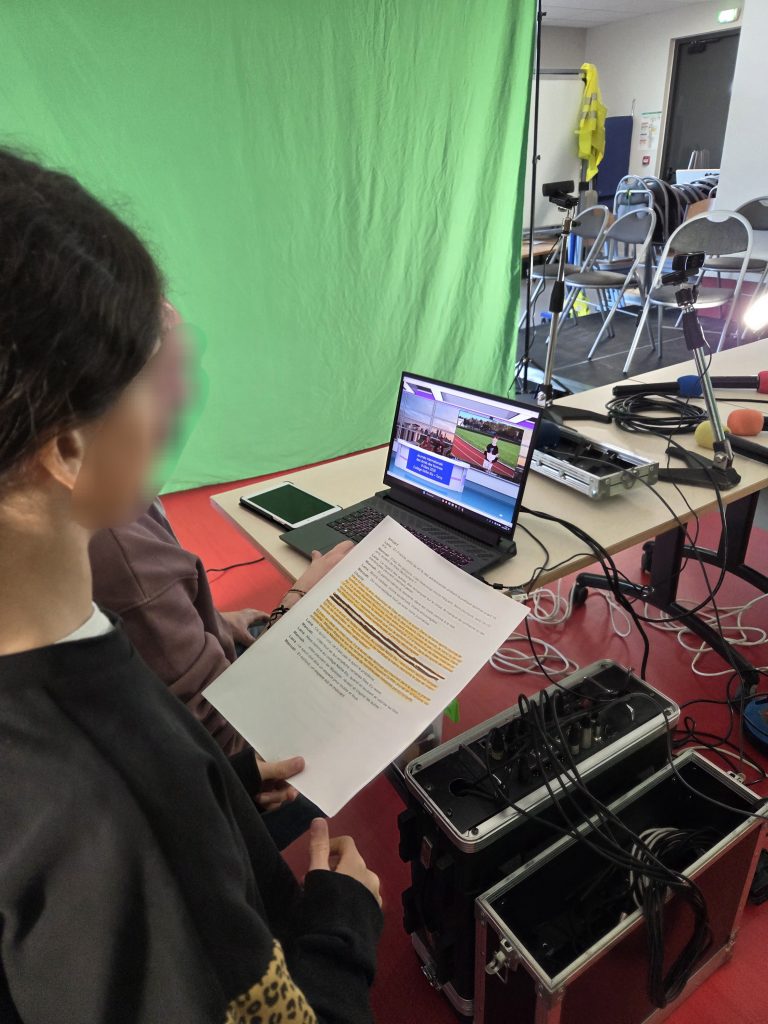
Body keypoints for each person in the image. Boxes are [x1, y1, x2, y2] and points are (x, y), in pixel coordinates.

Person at [0, 147, 381, 1023]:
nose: (172, 400)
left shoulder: (65, 646)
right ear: (67, 445)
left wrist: (224, 779)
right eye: (147, 371)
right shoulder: (120, 807)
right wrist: (343, 924)